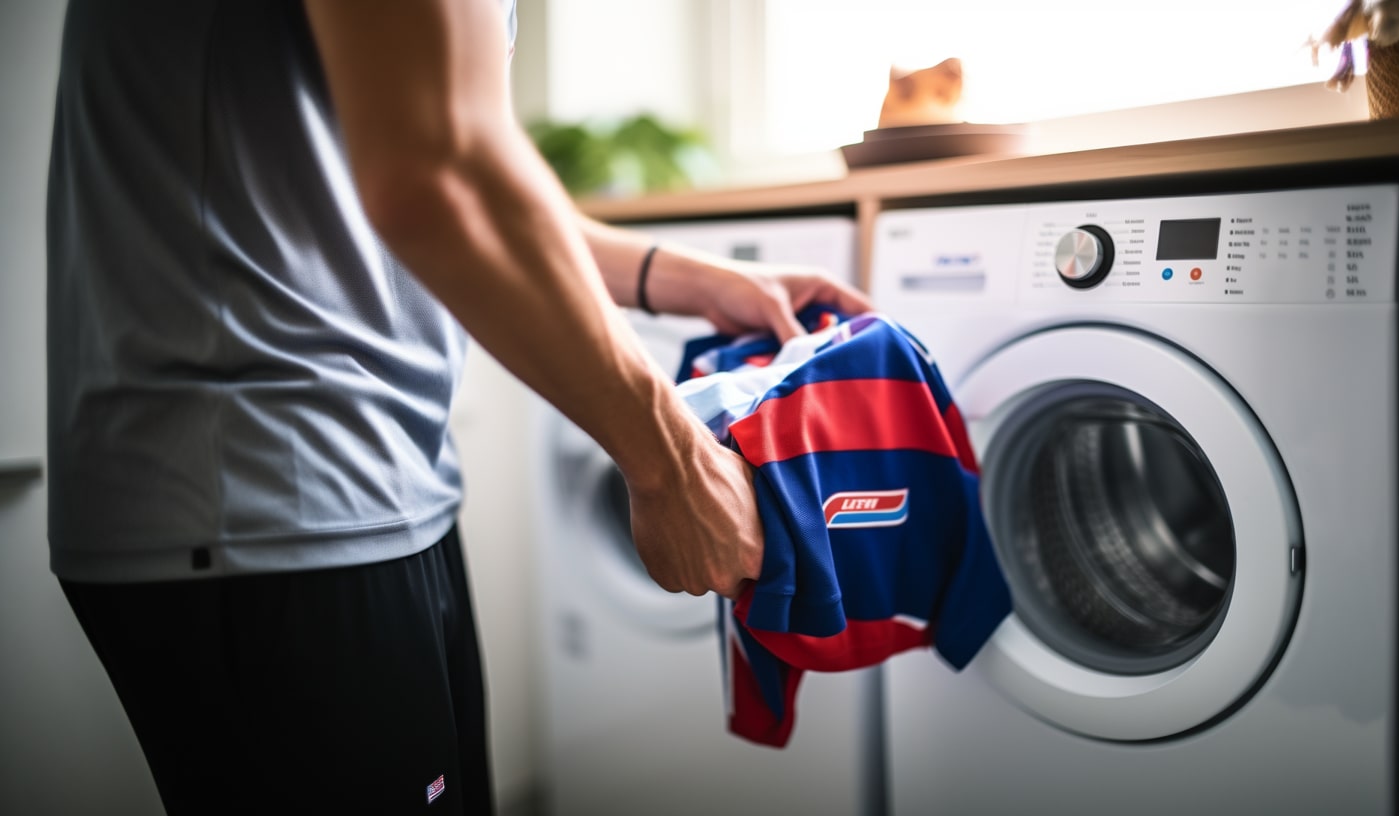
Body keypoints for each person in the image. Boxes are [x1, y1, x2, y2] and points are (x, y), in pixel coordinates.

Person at [45, 0, 873, 813]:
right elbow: (441, 176)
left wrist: (695, 280)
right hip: (268, 495)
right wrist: (674, 465)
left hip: (362, 486)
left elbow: (471, 168)